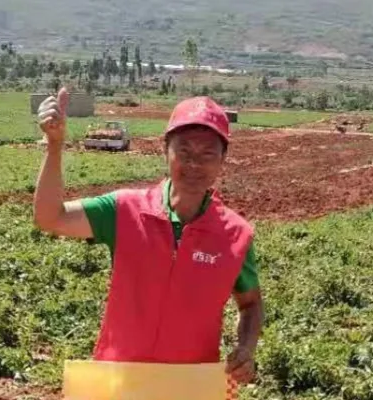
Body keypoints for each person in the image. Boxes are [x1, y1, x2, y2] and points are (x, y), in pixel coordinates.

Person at [33, 90, 263, 382]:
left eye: (207, 154)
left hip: (189, 391)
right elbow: (50, 217)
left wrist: (246, 348)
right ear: (165, 150)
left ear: (223, 159)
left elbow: (251, 304)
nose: (194, 164)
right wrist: (54, 146)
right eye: (184, 152)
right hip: (118, 383)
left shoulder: (236, 235)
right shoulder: (124, 210)